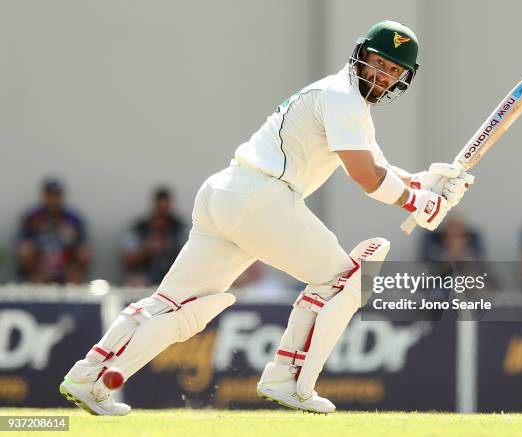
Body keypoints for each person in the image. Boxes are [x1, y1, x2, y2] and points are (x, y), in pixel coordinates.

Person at [60, 20, 475, 415]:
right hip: (263, 198)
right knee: (345, 280)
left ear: (403, 79)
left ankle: (88, 376)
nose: (383, 75)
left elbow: (381, 167)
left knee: (176, 305)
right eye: (379, 63)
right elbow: (367, 178)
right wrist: (418, 203)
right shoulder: (343, 99)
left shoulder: (342, 100)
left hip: (226, 194)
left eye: (393, 70)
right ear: (360, 56)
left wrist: (427, 184)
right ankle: (289, 379)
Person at [16, 178, 91, 284]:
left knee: (84, 254)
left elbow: (83, 246)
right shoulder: (32, 218)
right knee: (25, 250)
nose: (53, 199)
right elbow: (22, 244)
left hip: (65, 262)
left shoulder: (74, 219)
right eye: (50, 195)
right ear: (44, 195)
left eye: (57, 195)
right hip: (40, 263)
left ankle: (74, 284)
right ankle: (33, 281)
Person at [121, 187, 186, 286]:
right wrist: (146, 251)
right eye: (160, 211)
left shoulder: (180, 228)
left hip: (174, 276)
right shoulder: (138, 229)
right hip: (144, 277)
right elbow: (127, 260)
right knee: (135, 282)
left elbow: (192, 258)